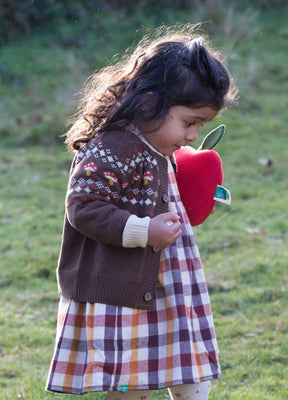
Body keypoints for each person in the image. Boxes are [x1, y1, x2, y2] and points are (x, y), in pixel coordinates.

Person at [46, 24, 236, 400]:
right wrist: (144, 231)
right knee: (132, 384)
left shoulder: (158, 148)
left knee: (191, 371)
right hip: (125, 294)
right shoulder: (111, 147)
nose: (193, 137)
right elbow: (82, 207)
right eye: (189, 123)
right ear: (151, 103)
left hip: (171, 287)